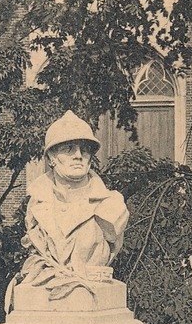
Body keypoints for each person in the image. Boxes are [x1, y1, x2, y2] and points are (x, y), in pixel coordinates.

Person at [7, 110, 129, 308]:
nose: (78, 156)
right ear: (51, 159)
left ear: (90, 158)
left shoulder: (111, 205)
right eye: (69, 149)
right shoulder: (37, 203)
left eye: (84, 150)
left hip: (90, 298)